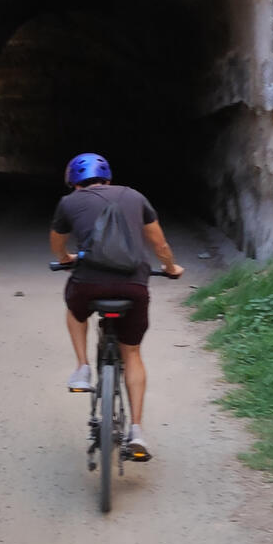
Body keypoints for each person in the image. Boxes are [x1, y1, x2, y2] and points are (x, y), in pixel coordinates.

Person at [50, 152, 184, 461]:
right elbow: (160, 244)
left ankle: (82, 368)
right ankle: (136, 431)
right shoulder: (135, 196)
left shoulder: (68, 203)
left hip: (88, 284)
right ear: (108, 178)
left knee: (75, 308)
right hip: (133, 287)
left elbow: (57, 244)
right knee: (132, 353)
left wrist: (66, 259)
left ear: (73, 182)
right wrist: (170, 267)